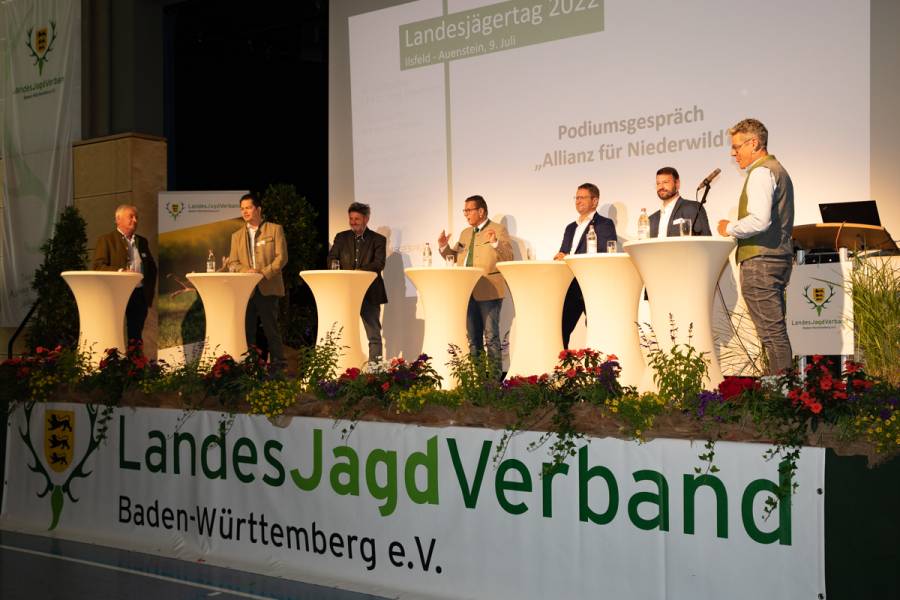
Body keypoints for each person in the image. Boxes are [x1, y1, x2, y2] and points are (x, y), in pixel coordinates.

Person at [717, 118, 794, 375]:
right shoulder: (776, 169)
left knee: (772, 335)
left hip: (761, 261)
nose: (733, 152)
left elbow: (759, 221)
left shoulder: (761, 172)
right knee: (773, 334)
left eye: (737, 146)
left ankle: (780, 396)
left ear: (754, 143)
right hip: (776, 259)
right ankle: (781, 391)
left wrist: (729, 227)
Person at [438, 195, 513, 365]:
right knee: (473, 338)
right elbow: (454, 258)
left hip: (489, 289)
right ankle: (478, 380)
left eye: (468, 210)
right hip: (467, 290)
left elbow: (508, 256)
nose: (465, 214)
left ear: (481, 211)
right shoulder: (465, 233)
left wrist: (495, 243)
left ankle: (493, 382)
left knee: (491, 337)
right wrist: (443, 247)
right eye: (464, 210)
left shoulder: (498, 229)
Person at [227, 192, 288, 368]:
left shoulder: (274, 229)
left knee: (271, 329)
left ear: (258, 209)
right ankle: (251, 366)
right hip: (246, 289)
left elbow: (281, 258)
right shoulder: (236, 235)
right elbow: (233, 262)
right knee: (247, 330)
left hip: (267, 287)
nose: (245, 211)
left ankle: (279, 365)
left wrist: (263, 272)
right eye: (242, 209)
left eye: (248, 207)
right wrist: (247, 271)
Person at [553, 183, 617, 349]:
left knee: (597, 330)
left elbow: (603, 252)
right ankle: (563, 370)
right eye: (576, 197)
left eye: (582, 197)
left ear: (594, 201)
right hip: (570, 285)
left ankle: (603, 371)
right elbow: (563, 252)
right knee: (560, 329)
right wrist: (560, 256)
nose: (578, 201)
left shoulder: (605, 224)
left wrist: (570, 257)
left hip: (591, 285)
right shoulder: (570, 227)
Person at [327, 202, 388, 362]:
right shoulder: (341, 237)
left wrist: (358, 273)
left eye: (357, 219)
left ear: (366, 219)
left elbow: (379, 263)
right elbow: (332, 258)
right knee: (341, 333)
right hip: (346, 292)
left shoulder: (378, 239)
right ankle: (344, 368)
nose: (353, 222)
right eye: (351, 218)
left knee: (374, 335)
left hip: (370, 293)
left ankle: (375, 372)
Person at [92, 204, 157, 343]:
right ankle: (113, 363)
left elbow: (151, 268)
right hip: (116, 293)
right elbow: (98, 266)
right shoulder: (106, 240)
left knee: (136, 334)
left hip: (139, 294)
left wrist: (148, 293)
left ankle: (136, 363)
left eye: (136, 217)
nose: (135, 220)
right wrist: (121, 271)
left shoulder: (142, 241)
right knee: (113, 332)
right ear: (118, 219)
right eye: (131, 217)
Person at [649, 167, 712, 237]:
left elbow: (706, 241)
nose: (661, 187)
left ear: (677, 184)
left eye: (665, 182)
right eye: (658, 183)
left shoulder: (693, 208)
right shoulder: (651, 219)